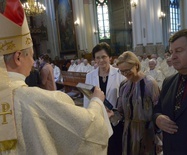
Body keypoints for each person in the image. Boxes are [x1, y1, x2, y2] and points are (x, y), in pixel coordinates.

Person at [0, 0, 113, 154]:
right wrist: (97, 102)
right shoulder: (33, 100)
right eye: (31, 56)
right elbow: (87, 131)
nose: (33, 62)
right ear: (18, 57)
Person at [83, 42, 126, 155]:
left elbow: (123, 99)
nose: (101, 60)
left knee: (115, 148)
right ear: (95, 60)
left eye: (104, 57)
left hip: (114, 119)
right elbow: (87, 99)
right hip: (98, 119)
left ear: (110, 58)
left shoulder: (119, 74)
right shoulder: (89, 75)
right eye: (97, 58)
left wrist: (116, 113)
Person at [116, 51, 160, 155]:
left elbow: (158, 110)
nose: (125, 74)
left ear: (136, 65)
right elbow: (120, 111)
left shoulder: (149, 83)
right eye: (122, 71)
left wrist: (159, 139)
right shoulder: (123, 85)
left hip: (146, 132)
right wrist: (112, 113)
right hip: (128, 131)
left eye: (127, 70)